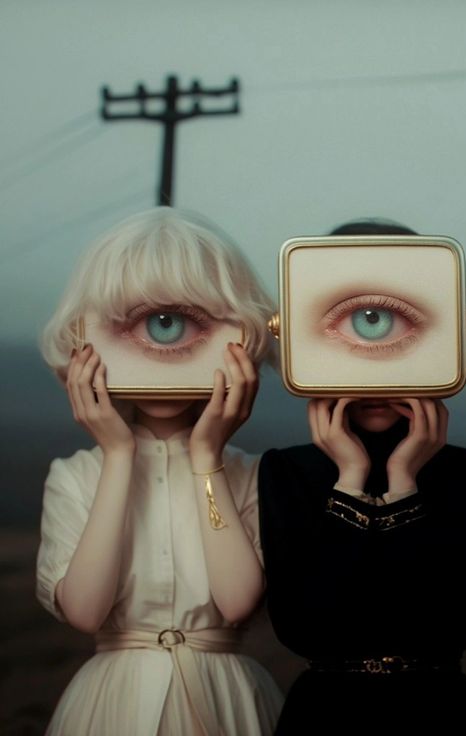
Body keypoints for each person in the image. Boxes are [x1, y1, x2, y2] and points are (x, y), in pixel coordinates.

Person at [37, 207, 283, 735]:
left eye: (174, 323)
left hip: (226, 702)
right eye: (147, 323)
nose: (162, 351)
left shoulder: (251, 473)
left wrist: (207, 458)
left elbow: (236, 601)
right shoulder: (75, 475)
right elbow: (85, 609)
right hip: (111, 706)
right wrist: (118, 455)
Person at [258, 218, 466, 735]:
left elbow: (445, 626)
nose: (372, 371)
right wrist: (349, 477)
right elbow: (307, 627)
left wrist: (402, 483)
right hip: (322, 718)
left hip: (439, 717)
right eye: (359, 322)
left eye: (385, 322)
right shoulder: (287, 470)